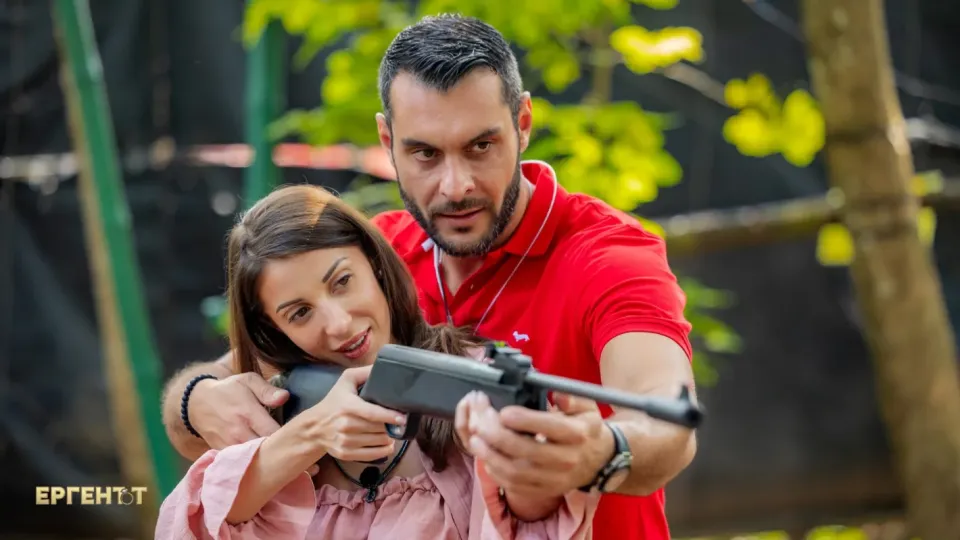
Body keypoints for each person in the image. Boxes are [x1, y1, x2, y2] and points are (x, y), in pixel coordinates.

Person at [161, 14, 698, 540]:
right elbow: (211, 400)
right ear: (386, 140)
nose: (455, 185)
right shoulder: (369, 258)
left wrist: (601, 454)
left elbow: (667, 423)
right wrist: (197, 398)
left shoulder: (608, 256)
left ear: (523, 123)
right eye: (425, 153)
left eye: (480, 146)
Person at [156, 184, 601, 539]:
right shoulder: (272, 408)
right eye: (300, 313)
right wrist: (311, 433)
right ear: (274, 330)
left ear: (375, 264)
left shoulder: (474, 374)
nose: (339, 324)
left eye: (342, 281)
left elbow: (534, 526)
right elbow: (193, 524)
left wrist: (526, 471)